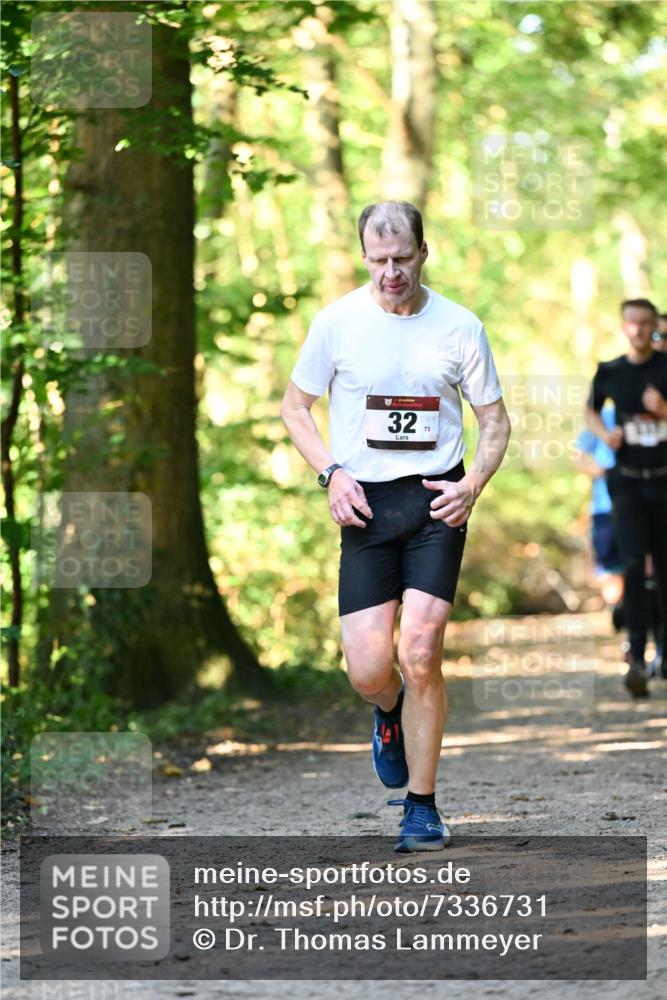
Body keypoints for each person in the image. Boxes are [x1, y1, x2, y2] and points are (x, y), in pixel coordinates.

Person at [280, 201, 510, 852]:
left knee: (420, 653)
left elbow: (493, 421)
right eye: (378, 261)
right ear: (363, 258)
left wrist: (472, 486)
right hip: (365, 506)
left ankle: (421, 804)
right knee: (367, 671)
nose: (390, 273)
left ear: (422, 253)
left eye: (401, 259)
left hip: (437, 504)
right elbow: (295, 408)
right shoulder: (337, 324)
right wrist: (331, 473)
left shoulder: (460, 326)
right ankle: (386, 715)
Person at [585, 298, 667, 697]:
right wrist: (605, 434)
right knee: (633, 568)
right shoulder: (610, 372)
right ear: (623, 327)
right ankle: (635, 655)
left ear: (654, 327)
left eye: (644, 323)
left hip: (664, 481)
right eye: (631, 322)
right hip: (628, 483)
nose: (637, 329)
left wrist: (663, 410)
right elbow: (590, 412)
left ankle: (663, 653)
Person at [574, 403, 624, 606]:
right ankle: (620, 612)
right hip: (605, 507)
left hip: (646, 504)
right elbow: (578, 456)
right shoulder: (602, 416)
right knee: (610, 568)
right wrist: (600, 471)